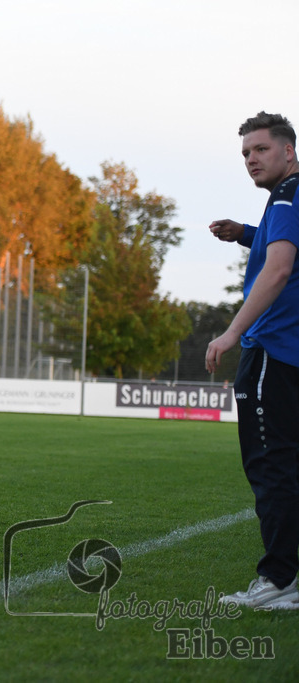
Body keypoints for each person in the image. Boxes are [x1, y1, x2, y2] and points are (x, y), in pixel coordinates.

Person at [206, 111, 299, 610]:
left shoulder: (285, 196)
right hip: (293, 352)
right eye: (245, 153)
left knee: (271, 467)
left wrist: (232, 331)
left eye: (261, 149)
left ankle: (279, 579)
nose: (251, 160)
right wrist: (245, 232)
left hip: (273, 351)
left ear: (289, 150)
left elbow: (279, 267)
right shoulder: (287, 200)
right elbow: (281, 242)